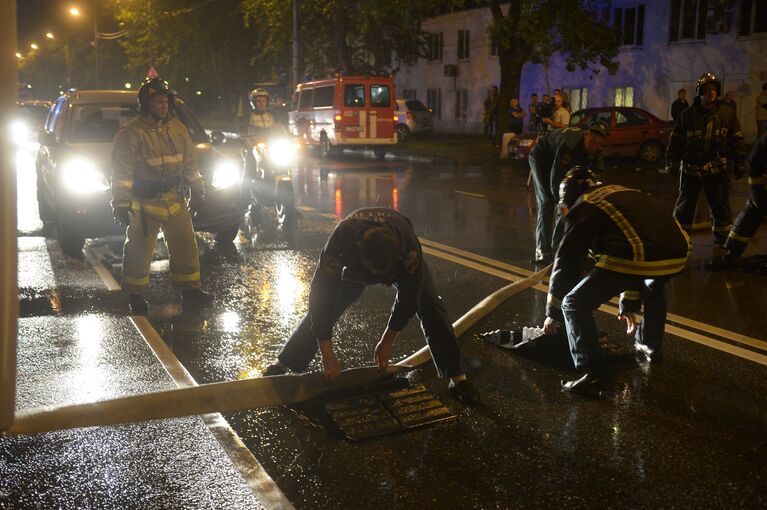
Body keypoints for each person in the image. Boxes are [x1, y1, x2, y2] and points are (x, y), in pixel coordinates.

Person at [262, 207, 480, 405]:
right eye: (373, 273)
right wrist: (327, 355)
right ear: (358, 250)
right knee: (330, 304)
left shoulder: (409, 250)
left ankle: (457, 377)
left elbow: (409, 297)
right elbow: (321, 299)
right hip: (353, 270)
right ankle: (284, 362)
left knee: (429, 303)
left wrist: (387, 339)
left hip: (395, 264)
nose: (376, 279)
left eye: (380, 275)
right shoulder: (341, 241)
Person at [543, 166, 691, 392]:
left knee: (573, 303)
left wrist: (553, 313)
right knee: (653, 284)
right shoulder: (622, 192)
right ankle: (650, 346)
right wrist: (629, 303)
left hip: (640, 253)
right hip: (678, 252)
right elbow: (634, 242)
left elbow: (568, 262)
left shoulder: (583, 207)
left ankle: (593, 374)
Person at [111, 78, 213, 315]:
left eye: (166, 101)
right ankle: (135, 296)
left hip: (176, 199)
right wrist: (121, 202)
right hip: (145, 204)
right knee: (139, 250)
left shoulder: (178, 128)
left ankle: (190, 289)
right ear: (146, 104)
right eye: (159, 101)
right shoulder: (131, 133)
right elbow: (121, 172)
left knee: (186, 246)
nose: (164, 106)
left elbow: (190, 163)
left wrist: (198, 191)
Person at [665, 72, 747, 254]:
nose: (711, 93)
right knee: (684, 208)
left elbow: (737, 140)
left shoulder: (728, 114)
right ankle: (680, 242)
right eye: (707, 89)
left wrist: (741, 161)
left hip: (717, 170)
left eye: (714, 89)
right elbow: (675, 141)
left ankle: (722, 243)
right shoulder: (686, 116)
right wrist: (671, 161)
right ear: (700, 91)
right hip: (690, 170)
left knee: (721, 207)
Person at [529, 120, 609, 264]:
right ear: (586, 135)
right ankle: (543, 251)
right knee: (547, 201)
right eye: (591, 141)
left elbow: (598, 185)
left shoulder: (596, 152)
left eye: (598, 143)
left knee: (572, 203)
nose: (594, 146)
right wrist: (563, 205)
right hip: (543, 158)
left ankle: (559, 247)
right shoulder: (569, 145)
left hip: (567, 164)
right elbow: (556, 180)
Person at [709, 132, 767, 271]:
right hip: (763, 191)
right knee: (750, 217)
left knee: (750, 216)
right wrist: (757, 192)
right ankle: (731, 255)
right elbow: (754, 162)